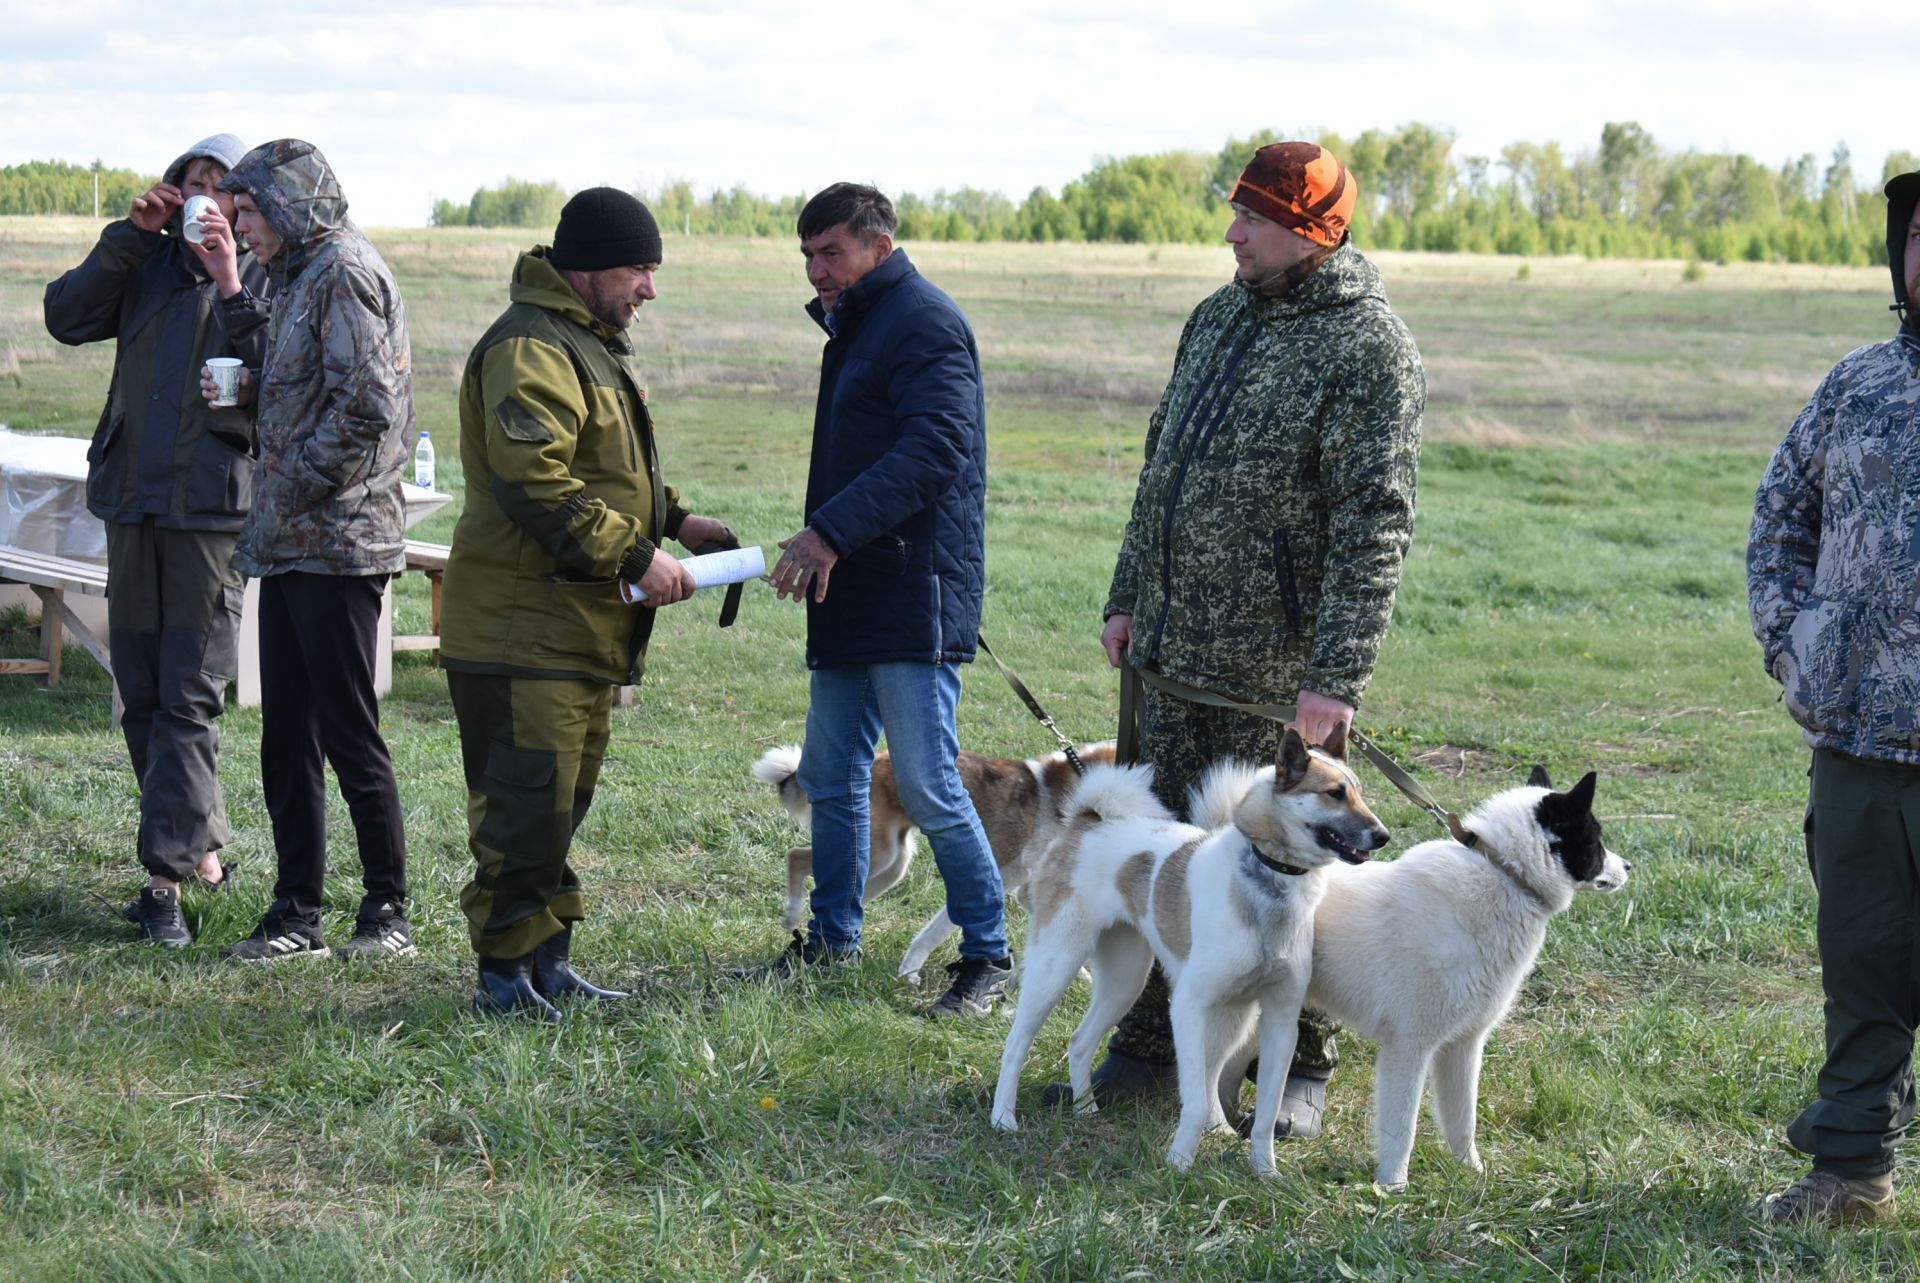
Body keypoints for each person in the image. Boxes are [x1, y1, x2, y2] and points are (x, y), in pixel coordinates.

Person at [1067, 143, 1425, 1132]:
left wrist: (1335, 678)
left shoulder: (1367, 344)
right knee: (1171, 851)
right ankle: (1152, 1039)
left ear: (1315, 229)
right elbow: (1160, 465)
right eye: (1236, 214)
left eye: (1254, 220)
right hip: (1169, 657)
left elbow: (1375, 520)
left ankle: (1296, 1064)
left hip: (1275, 677)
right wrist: (1127, 591)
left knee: (1285, 868)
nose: (1232, 232)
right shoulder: (1217, 316)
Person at [438, 187, 732, 1019]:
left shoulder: (586, 342)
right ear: (592, 268)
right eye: (640, 269)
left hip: (574, 630)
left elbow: (603, 465)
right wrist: (641, 554)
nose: (650, 288)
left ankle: (547, 962)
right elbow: (536, 480)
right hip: (520, 630)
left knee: (559, 807)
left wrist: (677, 519)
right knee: (522, 810)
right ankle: (503, 978)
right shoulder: (531, 345)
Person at [742, 182, 1010, 1019]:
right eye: (809, 256)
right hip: (853, 584)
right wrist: (833, 542)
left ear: (879, 246)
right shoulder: (856, 326)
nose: (818, 271)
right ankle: (831, 941)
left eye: (832, 253)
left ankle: (989, 956)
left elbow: (936, 449)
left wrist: (826, 533)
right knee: (834, 778)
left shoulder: (924, 323)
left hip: (911, 591)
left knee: (929, 784)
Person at [43, 133, 271, 948]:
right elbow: (64, 316)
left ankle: (163, 887)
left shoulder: (266, 274)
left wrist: (231, 279)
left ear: (247, 206)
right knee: (142, 690)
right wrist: (130, 234)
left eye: (222, 188)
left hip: (212, 511)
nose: (204, 199)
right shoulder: (143, 264)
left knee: (187, 695)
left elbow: (282, 381)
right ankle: (204, 859)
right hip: (134, 499)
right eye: (191, 183)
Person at [1749, 168, 1920, 1227]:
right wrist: (1796, 645)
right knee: (1861, 963)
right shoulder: (1857, 383)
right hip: (1858, 746)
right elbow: (1781, 517)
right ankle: (1853, 1168)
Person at [196, 139, 415, 962]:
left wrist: (287, 482)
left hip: (340, 545)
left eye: (247, 211)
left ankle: (386, 911)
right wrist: (255, 395)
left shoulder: (344, 273)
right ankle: (297, 914)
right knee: (286, 732)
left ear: (286, 203)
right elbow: (318, 393)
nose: (241, 227)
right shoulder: (295, 277)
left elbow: (366, 412)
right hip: (290, 543)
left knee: (349, 732)